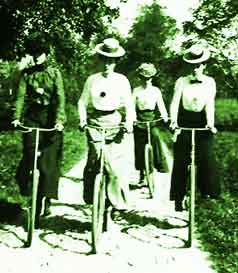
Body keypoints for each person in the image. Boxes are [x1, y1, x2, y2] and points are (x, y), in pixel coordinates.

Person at [78, 38, 135, 211]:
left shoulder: (122, 80)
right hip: (95, 124)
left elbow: (129, 105)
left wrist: (129, 122)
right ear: (99, 59)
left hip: (115, 125)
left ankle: (117, 202)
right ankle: (91, 197)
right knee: (93, 162)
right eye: (104, 59)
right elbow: (82, 102)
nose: (107, 64)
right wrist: (82, 120)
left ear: (116, 62)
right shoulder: (92, 80)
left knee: (115, 167)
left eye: (110, 61)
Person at [12, 42, 66, 225]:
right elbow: (20, 97)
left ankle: (45, 199)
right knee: (28, 159)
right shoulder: (27, 75)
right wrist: (16, 117)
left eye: (39, 53)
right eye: (33, 53)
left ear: (46, 54)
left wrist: (59, 121)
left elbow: (60, 98)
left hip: (51, 120)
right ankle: (31, 195)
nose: (36, 57)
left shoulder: (54, 73)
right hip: (33, 118)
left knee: (47, 165)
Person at [169, 43, 220, 211]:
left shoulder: (210, 82)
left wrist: (210, 123)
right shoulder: (181, 81)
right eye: (192, 65)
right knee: (181, 159)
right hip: (184, 120)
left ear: (204, 65)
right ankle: (178, 196)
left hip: (202, 121)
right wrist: (173, 122)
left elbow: (210, 105)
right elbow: (175, 103)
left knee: (207, 156)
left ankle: (208, 193)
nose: (195, 69)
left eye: (198, 65)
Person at [133, 63, 169, 184]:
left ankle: (160, 165)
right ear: (140, 78)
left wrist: (164, 116)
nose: (146, 80)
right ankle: (142, 174)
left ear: (152, 78)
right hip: (139, 119)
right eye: (144, 78)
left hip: (151, 118)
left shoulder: (155, 91)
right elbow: (132, 107)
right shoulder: (136, 91)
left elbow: (161, 105)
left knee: (156, 137)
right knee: (139, 146)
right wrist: (133, 118)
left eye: (149, 78)